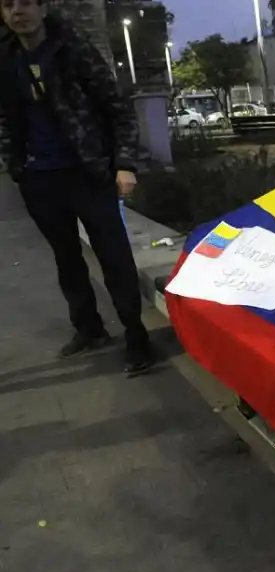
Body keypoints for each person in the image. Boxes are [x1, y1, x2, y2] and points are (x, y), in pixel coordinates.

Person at [0, 0, 152, 373]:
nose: (17, 11)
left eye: (25, 3)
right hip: (39, 178)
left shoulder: (73, 50)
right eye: (7, 5)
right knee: (66, 259)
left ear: (42, 8)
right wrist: (16, 166)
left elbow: (117, 110)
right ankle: (89, 328)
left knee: (114, 257)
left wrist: (124, 165)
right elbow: (5, 117)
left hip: (89, 174)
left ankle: (136, 336)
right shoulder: (6, 59)